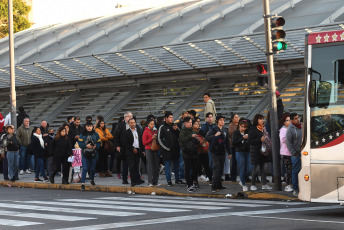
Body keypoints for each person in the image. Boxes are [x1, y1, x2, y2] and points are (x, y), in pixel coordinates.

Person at [206, 114, 231, 192]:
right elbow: (207, 138)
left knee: (221, 169)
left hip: (222, 151)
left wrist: (229, 152)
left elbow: (227, 142)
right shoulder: (214, 129)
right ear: (217, 121)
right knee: (216, 168)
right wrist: (214, 135)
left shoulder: (225, 130)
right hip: (215, 151)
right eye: (220, 120)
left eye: (223, 120)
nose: (222, 121)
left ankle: (219, 185)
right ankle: (214, 186)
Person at [158, 112, 183, 186]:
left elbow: (180, 135)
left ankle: (177, 179)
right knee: (168, 166)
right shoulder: (162, 127)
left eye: (172, 117)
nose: (171, 119)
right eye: (170, 117)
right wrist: (166, 148)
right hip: (167, 151)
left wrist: (176, 130)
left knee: (176, 166)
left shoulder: (174, 125)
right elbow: (159, 139)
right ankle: (169, 181)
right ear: (166, 118)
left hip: (175, 150)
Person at [248, 114, 272, 191]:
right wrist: (259, 139)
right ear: (256, 120)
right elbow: (250, 141)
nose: (262, 120)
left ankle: (264, 184)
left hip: (264, 151)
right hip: (256, 151)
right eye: (260, 119)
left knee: (264, 169)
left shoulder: (264, 128)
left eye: (262, 119)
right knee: (256, 168)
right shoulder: (253, 129)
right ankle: (253, 184)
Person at [78, 121, 101, 191]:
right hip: (85, 154)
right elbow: (80, 143)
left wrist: (95, 146)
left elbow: (99, 143)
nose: (89, 127)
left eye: (90, 126)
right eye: (88, 126)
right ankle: (82, 184)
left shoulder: (95, 134)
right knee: (84, 168)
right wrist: (85, 146)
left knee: (92, 169)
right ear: (86, 127)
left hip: (94, 154)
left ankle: (92, 179)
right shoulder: (82, 134)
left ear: (92, 126)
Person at [179, 117, 200, 192]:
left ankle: (193, 182)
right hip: (186, 153)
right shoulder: (183, 131)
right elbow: (181, 140)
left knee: (195, 169)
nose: (190, 123)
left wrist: (197, 139)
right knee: (187, 169)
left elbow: (197, 142)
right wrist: (190, 136)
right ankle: (189, 184)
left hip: (194, 153)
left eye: (191, 122)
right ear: (185, 123)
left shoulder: (193, 131)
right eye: (189, 122)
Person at [123, 118, 145, 187]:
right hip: (130, 152)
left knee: (136, 166)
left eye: (134, 122)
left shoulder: (138, 131)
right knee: (132, 166)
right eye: (131, 123)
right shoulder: (126, 132)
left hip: (138, 151)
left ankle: (137, 179)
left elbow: (141, 141)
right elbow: (125, 143)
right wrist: (132, 149)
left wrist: (142, 150)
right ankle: (133, 181)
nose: (133, 124)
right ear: (129, 124)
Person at [114, 112, 134, 184]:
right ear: (125, 118)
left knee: (134, 164)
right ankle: (124, 179)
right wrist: (117, 146)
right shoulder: (120, 125)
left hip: (133, 147)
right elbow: (116, 136)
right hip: (124, 147)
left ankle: (134, 178)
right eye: (129, 116)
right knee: (125, 164)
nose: (130, 117)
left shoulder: (134, 124)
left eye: (131, 116)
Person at [286, 113, 302, 196]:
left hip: (304, 152)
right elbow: (288, 143)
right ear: (292, 120)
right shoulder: (290, 129)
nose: (298, 119)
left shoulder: (302, 126)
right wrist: (294, 153)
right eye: (295, 118)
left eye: (298, 117)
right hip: (296, 154)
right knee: (295, 171)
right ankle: (295, 188)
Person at [232, 119, 251, 192]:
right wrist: (242, 138)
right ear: (239, 126)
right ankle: (243, 184)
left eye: (245, 127)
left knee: (249, 168)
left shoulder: (247, 132)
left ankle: (242, 179)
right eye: (242, 126)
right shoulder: (236, 133)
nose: (243, 128)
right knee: (242, 168)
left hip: (247, 151)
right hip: (239, 152)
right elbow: (234, 142)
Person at [142, 119, 160, 187]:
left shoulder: (156, 131)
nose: (153, 125)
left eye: (153, 124)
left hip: (155, 149)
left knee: (156, 166)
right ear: (148, 124)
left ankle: (155, 181)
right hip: (148, 150)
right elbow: (144, 142)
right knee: (150, 166)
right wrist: (152, 138)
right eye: (151, 124)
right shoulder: (146, 131)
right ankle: (150, 182)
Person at [279, 113, 293, 192]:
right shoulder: (283, 130)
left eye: (290, 120)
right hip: (286, 153)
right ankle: (288, 185)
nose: (289, 122)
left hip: (291, 152)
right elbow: (283, 140)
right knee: (289, 170)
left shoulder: (290, 129)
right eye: (287, 120)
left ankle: (291, 184)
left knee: (291, 169)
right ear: (284, 122)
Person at [228, 113, 240, 182]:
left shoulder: (239, 125)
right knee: (234, 162)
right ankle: (233, 176)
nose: (237, 118)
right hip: (233, 145)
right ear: (232, 119)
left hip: (239, 145)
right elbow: (232, 133)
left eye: (237, 117)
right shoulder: (231, 126)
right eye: (235, 117)